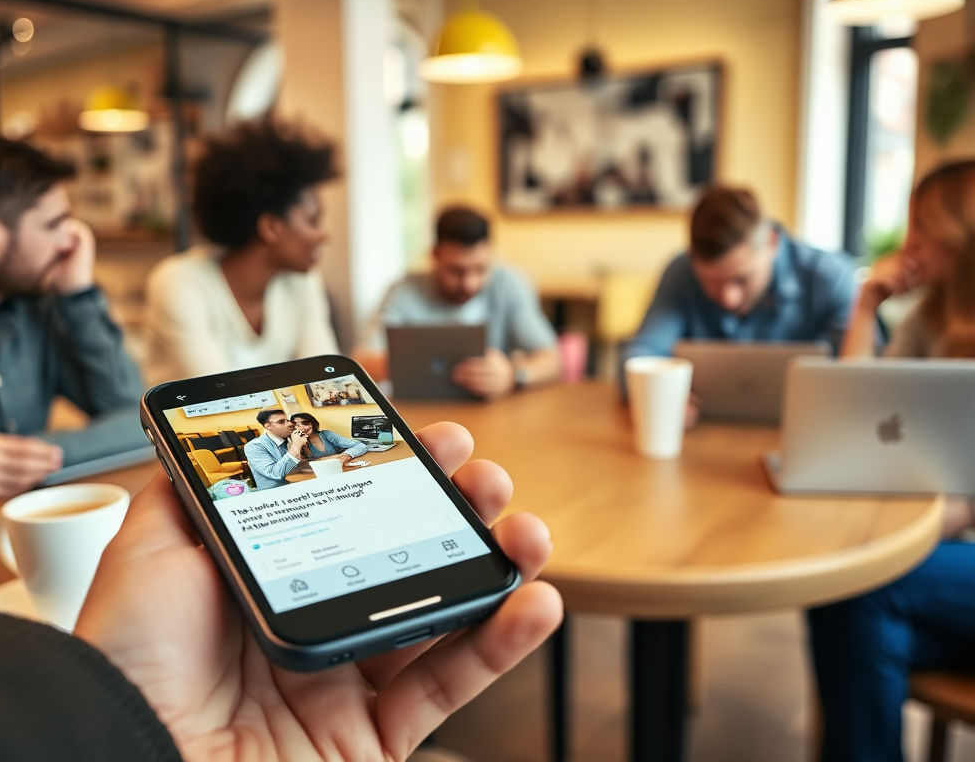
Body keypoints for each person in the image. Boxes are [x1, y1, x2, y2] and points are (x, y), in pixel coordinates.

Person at [0, 421, 564, 762]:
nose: (291, 427)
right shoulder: (256, 448)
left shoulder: (322, 435)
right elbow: (268, 479)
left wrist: (348, 451)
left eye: (297, 422)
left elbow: (359, 451)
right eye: (283, 422)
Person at [808, 160, 975, 762]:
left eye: (921, 231)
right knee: (850, 610)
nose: (908, 247)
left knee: (862, 592)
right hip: (953, 554)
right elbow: (858, 406)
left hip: (957, 545)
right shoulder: (930, 318)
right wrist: (866, 302)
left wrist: (938, 518)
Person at [0, 129, 146, 500]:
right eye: (54, 225)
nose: (69, 242)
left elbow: (141, 423)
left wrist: (78, 296)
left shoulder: (41, 311)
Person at [618, 185, 857, 418]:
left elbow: (856, 377)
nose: (729, 298)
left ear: (772, 243)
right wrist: (658, 397)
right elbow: (640, 356)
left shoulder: (831, 278)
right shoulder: (681, 272)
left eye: (742, 279)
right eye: (711, 281)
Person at [143, 120, 340, 386]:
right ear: (271, 227)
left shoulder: (303, 281)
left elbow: (328, 383)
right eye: (312, 220)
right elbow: (223, 397)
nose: (324, 234)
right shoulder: (179, 282)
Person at [356, 206, 560, 400]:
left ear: (491, 253)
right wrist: (403, 364)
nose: (470, 284)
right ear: (435, 256)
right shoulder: (403, 292)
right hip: (422, 414)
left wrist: (513, 376)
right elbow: (361, 361)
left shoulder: (510, 285)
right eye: (456, 271)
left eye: (480, 269)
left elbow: (553, 360)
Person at [243, 409, 310, 490]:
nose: (289, 424)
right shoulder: (254, 446)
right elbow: (275, 474)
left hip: (304, 486)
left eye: (289, 420)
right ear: (268, 426)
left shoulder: (294, 437)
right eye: (281, 422)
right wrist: (296, 447)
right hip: (277, 493)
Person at [290, 411, 367, 463]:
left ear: (313, 423)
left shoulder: (326, 434)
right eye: (296, 425)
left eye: (305, 423)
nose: (302, 428)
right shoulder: (293, 443)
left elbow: (360, 446)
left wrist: (346, 455)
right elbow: (301, 465)